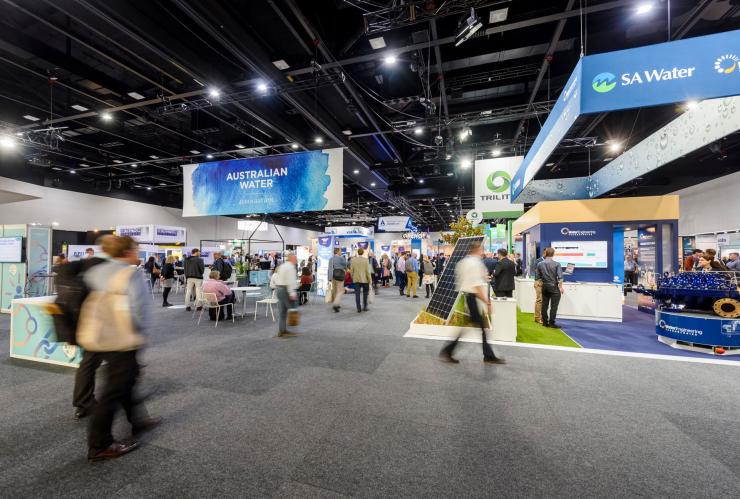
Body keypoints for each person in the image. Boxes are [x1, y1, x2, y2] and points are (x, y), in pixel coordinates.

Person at [77, 235, 160, 461]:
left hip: (99, 334)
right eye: (135, 250)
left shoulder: (95, 272)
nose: (138, 254)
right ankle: (99, 444)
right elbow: (138, 310)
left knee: (127, 380)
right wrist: (140, 336)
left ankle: (138, 421)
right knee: (113, 391)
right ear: (126, 252)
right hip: (122, 338)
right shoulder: (131, 274)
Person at [439, 241, 505, 365]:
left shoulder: (462, 262)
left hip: (467, 296)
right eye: (481, 249)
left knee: (475, 326)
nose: (483, 252)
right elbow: (476, 287)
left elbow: (463, 280)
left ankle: (450, 351)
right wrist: (488, 302)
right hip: (473, 298)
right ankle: (487, 356)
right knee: (479, 326)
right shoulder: (475, 263)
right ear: (478, 250)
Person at [536, 248, 565, 328]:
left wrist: (542, 283)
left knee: (544, 305)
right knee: (554, 306)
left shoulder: (540, 264)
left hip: (544, 286)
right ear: (553, 254)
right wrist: (561, 287)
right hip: (553, 287)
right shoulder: (557, 264)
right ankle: (552, 323)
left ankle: (545, 322)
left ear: (546, 253)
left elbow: (538, 277)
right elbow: (560, 278)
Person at [273, 252, 299, 337]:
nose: (296, 260)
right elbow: (290, 281)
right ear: (292, 259)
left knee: (282, 311)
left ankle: (282, 330)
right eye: (295, 258)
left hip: (279, 289)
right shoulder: (291, 267)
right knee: (292, 308)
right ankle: (285, 329)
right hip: (285, 289)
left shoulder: (283, 266)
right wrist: (292, 293)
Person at [350, 248, 373, 312]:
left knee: (357, 294)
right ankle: (365, 307)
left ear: (357, 252)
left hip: (356, 279)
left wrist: (352, 277)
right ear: (363, 253)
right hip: (364, 279)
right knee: (365, 293)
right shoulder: (366, 260)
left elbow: (351, 271)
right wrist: (370, 279)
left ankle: (358, 308)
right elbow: (368, 271)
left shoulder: (353, 260)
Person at [327, 248, 347, 313]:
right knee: (340, 290)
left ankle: (337, 303)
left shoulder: (331, 259)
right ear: (338, 251)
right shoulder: (341, 258)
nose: (341, 252)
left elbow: (329, 269)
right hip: (340, 276)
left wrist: (329, 278)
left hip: (333, 276)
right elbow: (346, 265)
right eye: (340, 251)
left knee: (335, 290)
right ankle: (335, 304)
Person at [533, 254, 545, 325]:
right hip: (539, 281)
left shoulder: (549, 261)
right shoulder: (538, 261)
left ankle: (543, 317)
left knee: (544, 300)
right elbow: (536, 272)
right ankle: (537, 318)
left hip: (546, 282)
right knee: (539, 299)